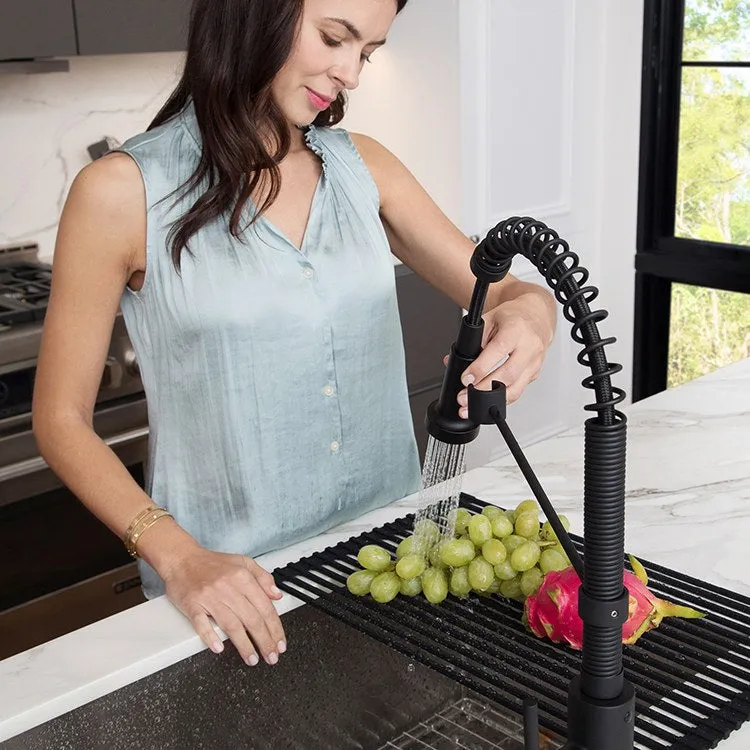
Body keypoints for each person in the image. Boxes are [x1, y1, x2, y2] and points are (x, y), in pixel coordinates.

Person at [32, 0, 557, 670]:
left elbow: (505, 292)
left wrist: (530, 313)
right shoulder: (121, 192)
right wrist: (180, 556)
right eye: (335, 38)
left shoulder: (365, 168)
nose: (351, 73)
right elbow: (61, 419)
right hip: (230, 596)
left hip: (395, 563)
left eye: (366, 51)